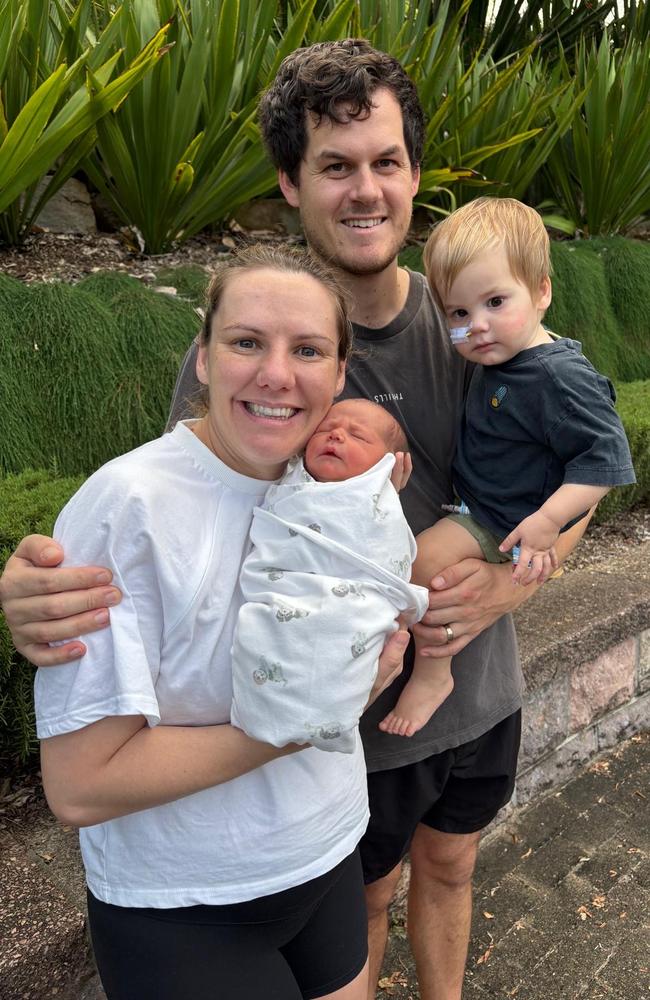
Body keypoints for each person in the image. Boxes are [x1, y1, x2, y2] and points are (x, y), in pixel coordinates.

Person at [0, 41, 591, 1000]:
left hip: (479, 688)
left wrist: (522, 574)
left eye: (386, 161)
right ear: (290, 182)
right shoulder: (259, 388)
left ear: (413, 175)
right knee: (365, 899)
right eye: (335, 165)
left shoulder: (484, 325)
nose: (366, 189)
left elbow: (576, 486)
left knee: (452, 869)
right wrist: (37, 595)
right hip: (348, 727)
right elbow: (184, 528)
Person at [32, 244, 411, 1000]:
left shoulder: (339, 489)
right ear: (203, 358)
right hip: (186, 903)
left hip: (329, 848)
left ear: (339, 376)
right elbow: (80, 786)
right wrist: (305, 719)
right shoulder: (127, 506)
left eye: (307, 349)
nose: (276, 374)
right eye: (246, 342)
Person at [380, 198, 636, 738]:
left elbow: (606, 462)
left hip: (505, 517)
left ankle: (432, 672)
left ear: (542, 290)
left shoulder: (559, 376)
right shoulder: (502, 358)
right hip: (483, 501)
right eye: (458, 314)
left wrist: (545, 525)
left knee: (422, 563)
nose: (476, 327)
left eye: (496, 301)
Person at [231, 397, 428, 754]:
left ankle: (326, 710)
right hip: (282, 590)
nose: (336, 436)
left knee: (339, 639)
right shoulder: (288, 477)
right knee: (262, 637)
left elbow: (387, 560)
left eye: (358, 436)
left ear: (389, 463)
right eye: (325, 429)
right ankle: (262, 712)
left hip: (351, 603)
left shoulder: (375, 500)